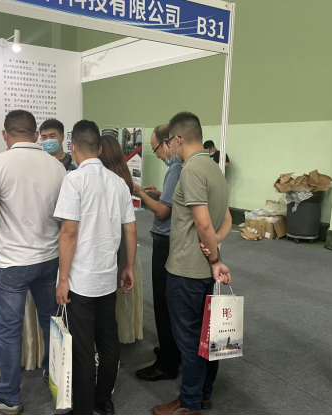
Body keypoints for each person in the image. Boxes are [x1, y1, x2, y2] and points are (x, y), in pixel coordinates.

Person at [0, 110, 66, 415]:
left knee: (10, 330)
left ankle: (8, 396)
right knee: (51, 323)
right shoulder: (56, 166)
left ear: (5, 135)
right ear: (37, 134)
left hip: (12, 262)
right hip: (49, 258)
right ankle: (55, 378)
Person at [54, 120, 137, 415]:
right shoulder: (119, 183)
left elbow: (69, 233)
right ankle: (103, 400)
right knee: (108, 342)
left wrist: (63, 279)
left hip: (80, 280)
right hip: (106, 277)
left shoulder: (73, 180)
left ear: (72, 147)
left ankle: (84, 408)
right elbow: (130, 230)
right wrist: (129, 266)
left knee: (83, 347)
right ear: (100, 149)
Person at [153, 112, 233, 416]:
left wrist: (213, 257)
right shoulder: (215, 168)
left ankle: (188, 404)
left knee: (190, 341)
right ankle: (203, 395)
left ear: (177, 139)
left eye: (168, 143)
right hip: (204, 271)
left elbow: (203, 223)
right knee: (208, 338)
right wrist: (216, 245)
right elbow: (226, 219)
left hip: (187, 270)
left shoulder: (191, 170)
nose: (169, 149)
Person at [130, 124, 183, 381]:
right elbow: (172, 202)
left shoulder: (177, 168)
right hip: (175, 241)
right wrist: (161, 195)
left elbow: (163, 212)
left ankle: (167, 363)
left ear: (169, 142)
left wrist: (140, 193)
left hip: (166, 242)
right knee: (170, 301)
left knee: (162, 303)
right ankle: (172, 350)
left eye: (157, 149)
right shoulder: (183, 167)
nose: (159, 155)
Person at [99, 135, 143, 345]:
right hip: (126, 247)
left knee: (104, 301)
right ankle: (120, 337)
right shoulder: (124, 179)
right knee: (120, 298)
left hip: (108, 247)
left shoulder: (104, 182)